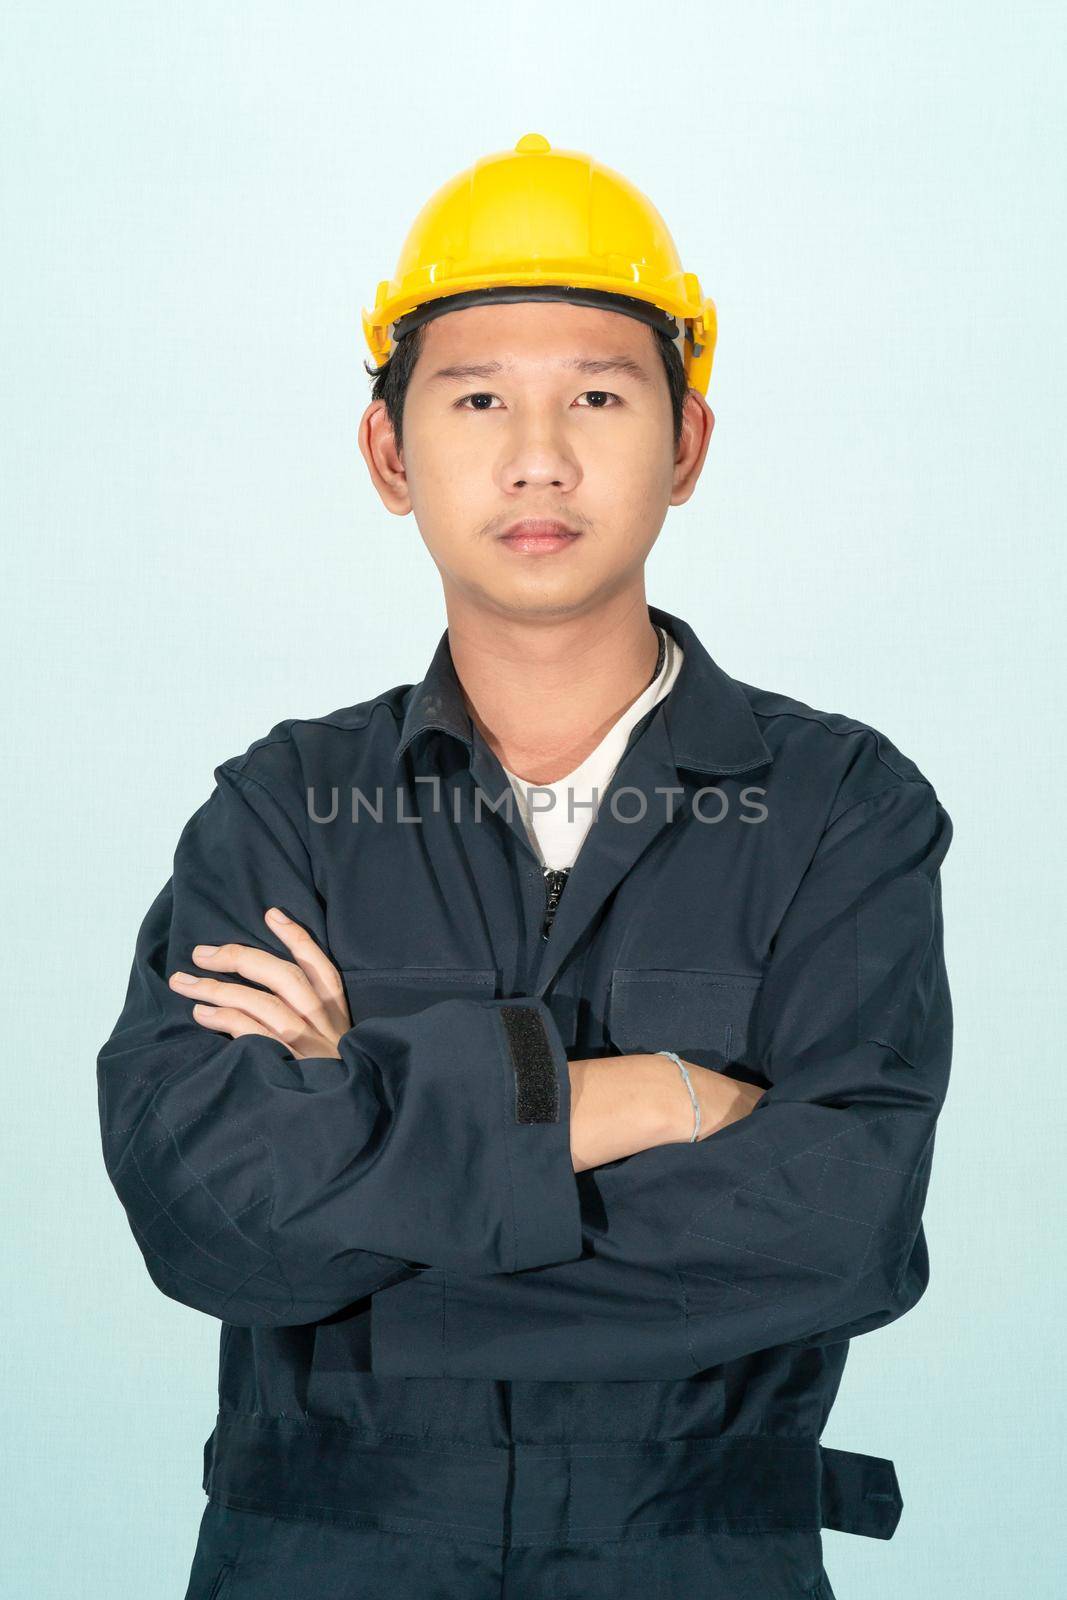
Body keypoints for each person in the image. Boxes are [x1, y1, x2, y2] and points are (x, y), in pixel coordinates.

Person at [96, 133, 953, 1600]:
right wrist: (649, 1099)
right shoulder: (288, 808)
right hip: (320, 1560)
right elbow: (210, 1218)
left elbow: (845, 1226)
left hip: (699, 1557)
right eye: (479, 396)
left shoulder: (836, 808)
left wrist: (365, 1159)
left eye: (599, 398)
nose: (538, 453)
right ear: (390, 452)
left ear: (685, 446)